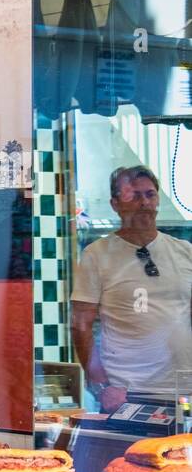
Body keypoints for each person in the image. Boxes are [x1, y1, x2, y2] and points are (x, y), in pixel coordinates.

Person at [70, 165, 192, 411]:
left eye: (150, 195)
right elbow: (80, 324)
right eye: (134, 196)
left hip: (183, 393)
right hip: (128, 394)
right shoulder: (97, 256)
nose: (144, 202)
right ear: (115, 203)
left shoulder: (185, 251)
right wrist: (102, 386)